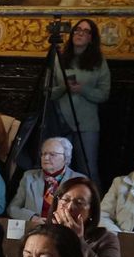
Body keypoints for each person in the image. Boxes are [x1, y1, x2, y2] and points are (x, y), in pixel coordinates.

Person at [45, 19, 112, 185]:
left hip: (86, 125)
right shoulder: (59, 58)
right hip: (60, 122)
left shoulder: (98, 61)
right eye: (77, 29)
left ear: (91, 38)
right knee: (57, 167)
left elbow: (104, 94)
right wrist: (63, 88)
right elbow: (47, 92)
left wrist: (83, 89)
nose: (80, 33)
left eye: (86, 31)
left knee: (87, 169)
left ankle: (92, 200)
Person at [48, 175, 123, 257]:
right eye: (65, 200)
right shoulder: (41, 234)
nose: (69, 208)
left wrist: (79, 241)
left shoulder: (105, 239)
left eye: (79, 203)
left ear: (91, 211)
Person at [9, 137, 85, 226]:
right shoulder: (29, 177)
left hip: (64, 230)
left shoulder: (78, 180)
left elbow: (83, 213)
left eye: (52, 154)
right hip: (35, 229)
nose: (45, 157)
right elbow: (13, 208)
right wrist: (32, 217)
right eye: (43, 153)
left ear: (65, 157)